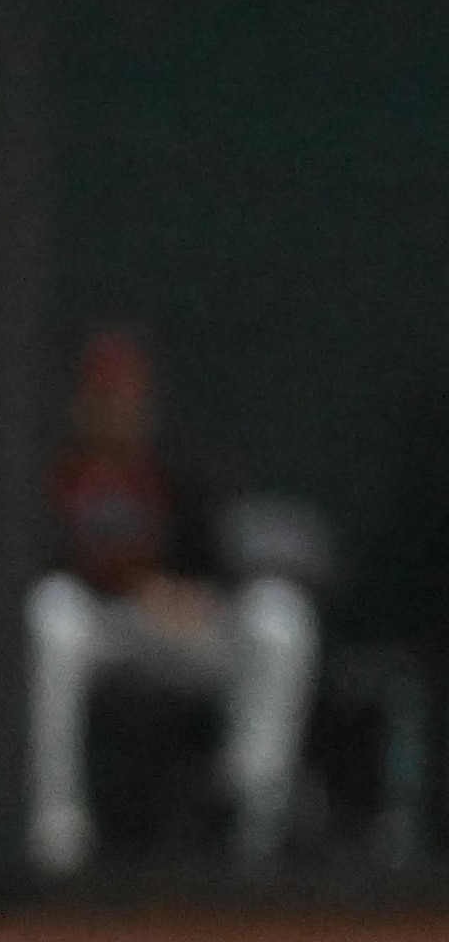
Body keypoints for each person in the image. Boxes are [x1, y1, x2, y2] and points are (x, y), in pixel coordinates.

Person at [27, 328, 319, 875]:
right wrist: (137, 588)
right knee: (52, 614)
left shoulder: (174, 467)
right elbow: (42, 563)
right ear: (80, 405)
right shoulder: (55, 470)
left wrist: (195, 599)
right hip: (104, 627)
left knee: (280, 618)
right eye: (105, 399)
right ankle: (55, 827)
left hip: (179, 632)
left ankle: (248, 817)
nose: (118, 412)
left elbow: (224, 567)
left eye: (128, 399)